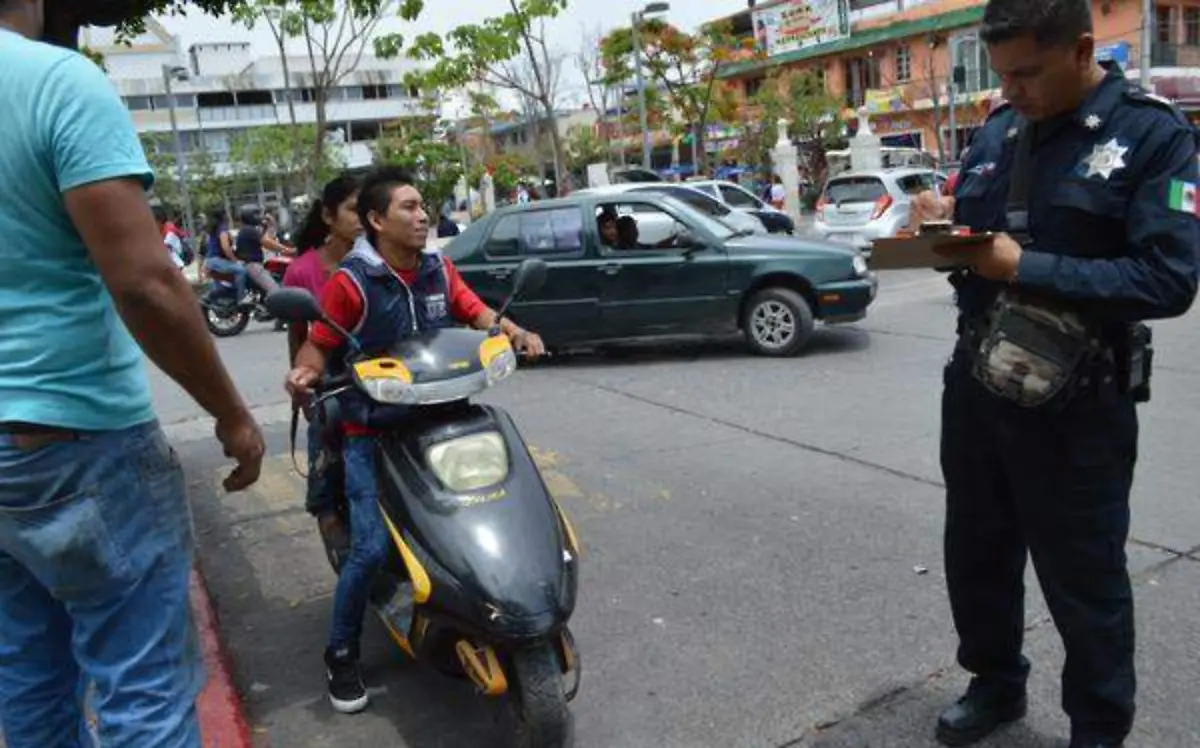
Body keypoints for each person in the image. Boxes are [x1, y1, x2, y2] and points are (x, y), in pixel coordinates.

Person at [910, 2, 1199, 746]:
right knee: (976, 550)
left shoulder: (1152, 136)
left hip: (1078, 401)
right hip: (977, 380)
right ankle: (995, 684)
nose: (1011, 91)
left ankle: (1099, 728)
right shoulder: (1002, 130)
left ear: (1080, 49)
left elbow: (1167, 280)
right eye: (1002, 74)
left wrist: (1025, 266)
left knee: (1084, 579)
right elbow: (981, 242)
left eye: (1027, 73)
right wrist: (943, 219)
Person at [0, 3, 266, 747]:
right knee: (142, 687)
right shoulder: (56, 82)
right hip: (73, 437)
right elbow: (147, 284)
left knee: (28, 681)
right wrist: (233, 416)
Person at [284, 167, 546, 714]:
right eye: (408, 207)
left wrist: (514, 332)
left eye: (423, 205)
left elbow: (475, 312)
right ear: (377, 221)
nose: (423, 215)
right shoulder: (352, 282)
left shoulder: (437, 269)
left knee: (488, 508)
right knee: (370, 548)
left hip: (445, 415)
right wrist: (305, 372)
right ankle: (341, 654)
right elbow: (320, 342)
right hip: (371, 428)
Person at [282, 174, 361, 559]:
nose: (362, 217)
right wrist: (301, 385)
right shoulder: (302, 271)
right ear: (329, 216)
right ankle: (329, 518)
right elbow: (299, 337)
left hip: (385, 384)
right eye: (352, 209)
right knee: (325, 461)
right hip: (332, 387)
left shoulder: (381, 260)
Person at [234, 206, 291, 297]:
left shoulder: (248, 229)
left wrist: (270, 226)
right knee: (274, 290)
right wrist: (287, 250)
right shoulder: (249, 230)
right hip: (252, 265)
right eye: (256, 214)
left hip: (252, 264)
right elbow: (266, 242)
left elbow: (268, 238)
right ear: (249, 216)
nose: (260, 217)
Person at [204, 208, 247, 300]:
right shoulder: (222, 228)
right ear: (223, 216)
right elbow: (226, 247)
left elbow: (209, 245)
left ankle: (224, 299)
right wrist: (234, 260)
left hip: (210, 261)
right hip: (216, 260)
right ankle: (241, 299)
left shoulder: (213, 228)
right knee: (241, 270)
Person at [154, 203, 186, 269]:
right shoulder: (162, 229)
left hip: (177, 262)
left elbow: (167, 249)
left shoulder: (170, 232)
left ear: (159, 221)